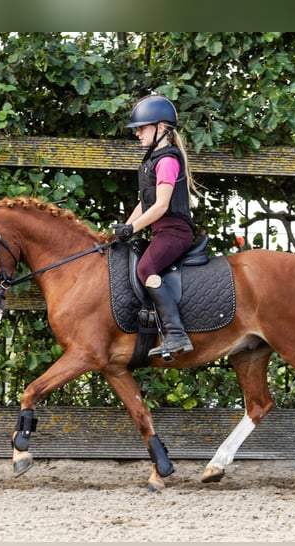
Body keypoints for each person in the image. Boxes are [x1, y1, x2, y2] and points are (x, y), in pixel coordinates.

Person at [113, 94, 198, 359]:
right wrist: (125, 229)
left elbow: (161, 206)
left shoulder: (167, 161)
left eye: (142, 127)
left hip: (176, 231)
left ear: (160, 128)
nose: (137, 133)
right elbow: (145, 202)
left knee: (146, 267)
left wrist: (134, 228)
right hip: (161, 230)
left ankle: (175, 334)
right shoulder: (152, 160)